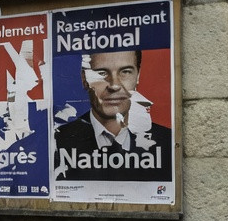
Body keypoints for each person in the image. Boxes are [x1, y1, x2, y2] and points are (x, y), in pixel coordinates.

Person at [54, 50, 173, 182]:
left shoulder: (167, 144)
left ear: (138, 76)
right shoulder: (56, 142)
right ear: (84, 79)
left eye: (125, 72)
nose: (114, 85)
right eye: (101, 73)